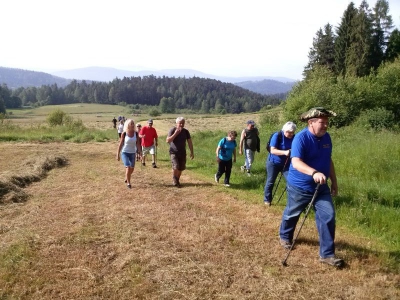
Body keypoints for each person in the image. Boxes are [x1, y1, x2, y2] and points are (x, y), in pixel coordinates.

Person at [278, 107, 343, 267]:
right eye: (322, 122)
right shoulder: (301, 138)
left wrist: (334, 181)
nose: (326, 125)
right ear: (311, 122)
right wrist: (313, 172)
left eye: (327, 122)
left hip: (321, 187)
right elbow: (296, 162)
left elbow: (328, 160)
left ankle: (327, 255)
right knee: (292, 213)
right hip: (300, 186)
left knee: (328, 216)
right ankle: (285, 236)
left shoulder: (327, 137)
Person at [263, 121, 297, 206]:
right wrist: (285, 152)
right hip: (273, 162)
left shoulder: (294, 137)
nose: (290, 134)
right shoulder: (277, 136)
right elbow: (272, 150)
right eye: (288, 132)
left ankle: (292, 203)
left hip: (287, 164)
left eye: (292, 132)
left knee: (291, 181)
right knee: (271, 181)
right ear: (284, 130)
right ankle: (267, 199)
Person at [166, 117, 194, 187]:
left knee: (181, 168)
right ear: (176, 123)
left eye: (183, 123)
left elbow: (189, 142)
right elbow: (168, 140)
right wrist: (176, 133)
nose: (181, 125)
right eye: (180, 123)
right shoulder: (172, 130)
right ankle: (175, 180)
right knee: (176, 166)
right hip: (173, 152)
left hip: (182, 152)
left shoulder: (186, 132)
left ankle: (177, 180)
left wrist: (192, 152)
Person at [116, 119, 141, 189]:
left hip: (133, 153)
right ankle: (129, 183)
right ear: (128, 125)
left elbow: (138, 144)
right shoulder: (124, 133)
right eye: (131, 124)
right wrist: (117, 154)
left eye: (133, 123)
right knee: (128, 167)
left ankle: (127, 177)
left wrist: (140, 153)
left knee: (132, 169)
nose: (133, 125)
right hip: (125, 153)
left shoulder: (136, 134)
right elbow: (120, 144)